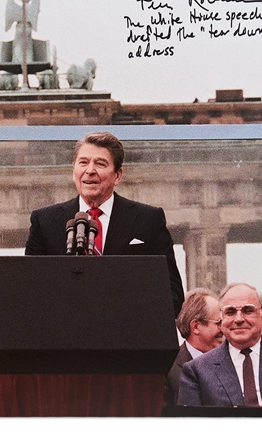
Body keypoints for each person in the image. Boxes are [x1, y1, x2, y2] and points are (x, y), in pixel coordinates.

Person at [25, 131, 184, 316]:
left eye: (100, 164)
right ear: (73, 171)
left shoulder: (148, 220)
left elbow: (171, 294)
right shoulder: (45, 222)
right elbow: (30, 290)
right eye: (83, 162)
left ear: (117, 176)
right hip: (64, 336)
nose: (90, 170)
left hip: (127, 335)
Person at [163, 288, 223, 407]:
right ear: (195, 326)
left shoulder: (230, 361)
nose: (223, 329)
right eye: (218, 323)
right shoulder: (167, 368)